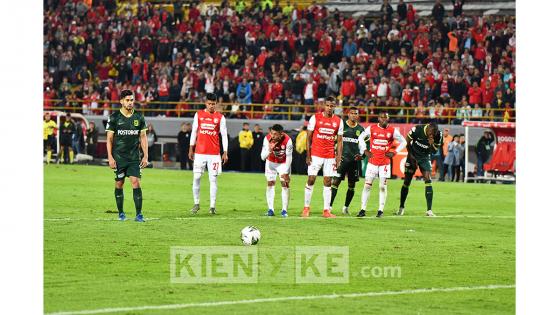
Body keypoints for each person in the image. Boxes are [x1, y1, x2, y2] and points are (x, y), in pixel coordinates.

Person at [106, 90, 149, 222]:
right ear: (121, 101)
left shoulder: (139, 117)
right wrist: (110, 158)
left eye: (132, 100)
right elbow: (109, 139)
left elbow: (143, 137)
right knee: (119, 183)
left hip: (134, 158)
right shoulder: (114, 118)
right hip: (119, 157)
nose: (130, 103)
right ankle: (121, 213)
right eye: (127, 100)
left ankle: (139, 214)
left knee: (135, 182)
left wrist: (146, 156)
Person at [357, 111, 406, 218]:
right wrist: (365, 150)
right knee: (367, 186)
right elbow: (360, 137)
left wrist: (394, 152)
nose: (384, 120)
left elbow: (404, 142)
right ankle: (362, 209)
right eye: (382, 118)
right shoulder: (372, 128)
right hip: (372, 162)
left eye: (386, 118)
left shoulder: (393, 130)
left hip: (385, 163)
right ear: (378, 118)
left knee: (382, 187)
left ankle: (380, 210)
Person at [302, 96, 343, 218]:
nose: (330, 108)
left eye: (332, 106)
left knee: (328, 182)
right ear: (324, 106)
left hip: (330, 156)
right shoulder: (315, 118)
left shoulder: (338, 121)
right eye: (328, 105)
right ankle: (306, 208)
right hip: (316, 154)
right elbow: (308, 138)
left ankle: (326, 211)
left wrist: (338, 157)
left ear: (334, 107)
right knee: (311, 179)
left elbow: (340, 141)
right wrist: (308, 155)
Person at [189, 93, 229, 215]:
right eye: (209, 103)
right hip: (200, 152)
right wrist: (191, 148)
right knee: (196, 177)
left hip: (214, 154)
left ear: (216, 104)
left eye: (213, 104)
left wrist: (225, 152)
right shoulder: (199, 114)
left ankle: (212, 206)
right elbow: (194, 132)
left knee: (213, 179)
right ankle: (196, 203)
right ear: (206, 103)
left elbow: (224, 135)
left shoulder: (220, 117)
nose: (211, 106)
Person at [398, 121, 443, 217]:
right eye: (430, 133)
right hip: (412, 155)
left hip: (425, 157)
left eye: (433, 134)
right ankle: (401, 207)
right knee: (407, 182)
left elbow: (435, 151)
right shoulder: (417, 129)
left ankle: (429, 210)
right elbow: (407, 142)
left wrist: (431, 144)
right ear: (428, 128)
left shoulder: (438, 135)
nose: (431, 135)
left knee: (428, 179)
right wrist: (412, 157)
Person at [329, 107, 365, 215]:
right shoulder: (342, 125)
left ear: (358, 115)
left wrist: (362, 156)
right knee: (336, 182)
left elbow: (364, 146)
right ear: (348, 114)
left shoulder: (361, 129)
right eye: (352, 113)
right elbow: (335, 140)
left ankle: (345, 207)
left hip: (354, 161)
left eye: (356, 113)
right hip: (342, 159)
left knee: (352, 185)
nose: (354, 115)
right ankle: (329, 207)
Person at [261, 124, 293, 217]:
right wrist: (269, 150)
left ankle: (284, 210)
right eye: (271, 133)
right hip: (270, 163)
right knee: (270, 183)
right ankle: (270, 209)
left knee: (285, 184)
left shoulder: (288, 140)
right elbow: (262, 157)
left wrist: (286, 172)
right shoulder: (267, 139)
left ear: (281, 134)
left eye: (275, 134)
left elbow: (289, 157)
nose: (273, 136)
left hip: (283, 163)